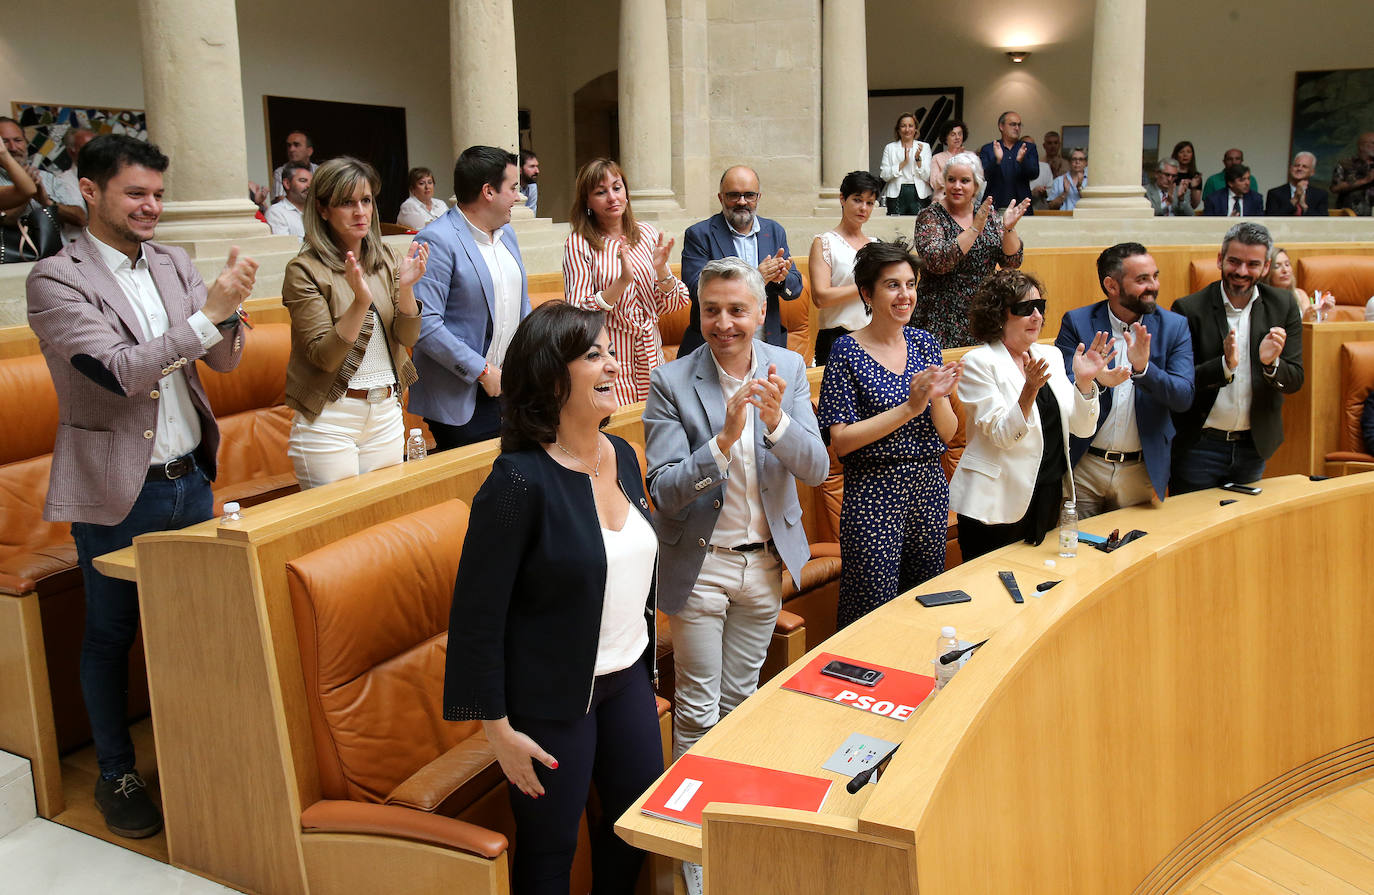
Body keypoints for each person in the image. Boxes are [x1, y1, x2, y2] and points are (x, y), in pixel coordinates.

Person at [25, 134, 256, 839]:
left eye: (157, 194)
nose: (151, 206)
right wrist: (207, 315)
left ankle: (201, 758)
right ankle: (116, 772)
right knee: (111, 633)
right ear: (89, 191)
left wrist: (228, 312)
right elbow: (122, 372)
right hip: (118, 489)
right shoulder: (55, 280)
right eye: (135, 193)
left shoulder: (173, 261)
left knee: (198, 628)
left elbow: (223, 359)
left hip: (192, 477)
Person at [444, 302, 664, 895]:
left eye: (610, 352)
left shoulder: (623, 455)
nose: (613, 364)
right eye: (594, 355)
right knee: (550, 850)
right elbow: (477, 617)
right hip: (549, 698)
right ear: (551, 375)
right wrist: (497, 731)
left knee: (634, 832)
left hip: (627, 679)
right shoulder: (517, 481)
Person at [643, 255, 826, 756]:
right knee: (698, 709)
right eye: (711, 310)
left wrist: (778, 424)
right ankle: (688, 804)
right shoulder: (670, 381)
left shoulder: (787, 367)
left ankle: (727, 797)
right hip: (701, 564)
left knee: (741, 703)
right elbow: (664, 491)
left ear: (762, 311)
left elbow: (816, 468)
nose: (723, 323)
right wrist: (722, 442)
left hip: (765, 562)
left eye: (737, 310)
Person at [817, 241, 961, 628]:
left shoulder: (925, 343)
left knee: (924, 605)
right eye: (892, 285)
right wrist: (910, 407)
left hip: (928, 487)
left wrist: (937, 398)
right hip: (873, 492)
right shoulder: (845, 351)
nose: (905, 295)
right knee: (871, 612)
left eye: (910, 284)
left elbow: (947, 434)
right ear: (867, 293)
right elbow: (841, 441)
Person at [281, 157, 428, 489]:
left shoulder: (386, 258)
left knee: (384, 515)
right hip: (330, 418)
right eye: (347, 203)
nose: (360, 212)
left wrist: (406, 288)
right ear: (323, 209)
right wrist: (361, 302)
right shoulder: (304, 270)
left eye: (366, 200)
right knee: (338, 518)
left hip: (385, 411)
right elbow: (325, 357)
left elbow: (408, 338)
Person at [949, 270, 1108, 560]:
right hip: (995, 503)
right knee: (991, 583)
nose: (1037, 316)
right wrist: (1029, 390)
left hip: (1047, 495)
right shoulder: (979, 363)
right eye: (1025, 308)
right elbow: (1002, 435)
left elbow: (1082, 429)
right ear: (998, 315)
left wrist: (1085, 383)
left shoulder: (1050, 356)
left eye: (1040, 307)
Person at [1053, 243, 1195, 517]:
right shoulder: (1078, 322)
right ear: (1112, 285)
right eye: (1142, 279)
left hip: (1140, 470)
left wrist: (1144, 370)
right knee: (1074, 543)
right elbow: (1060, 392)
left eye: (1155, 276)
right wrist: (1098, 382)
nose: (1153, 286)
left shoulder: (1174, 326)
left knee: (1132, 544)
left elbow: (1183, 397)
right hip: (1085, 465)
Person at [411, 145, 531, 450]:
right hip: (461, 397)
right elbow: (425, 324)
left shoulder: (508, 235)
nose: (519, 197)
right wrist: (482, 370)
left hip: (510, 388)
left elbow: (521, 305)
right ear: (488, 191)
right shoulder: (437, 240)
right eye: (513, 188)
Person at [1170, 223, 1303, 493]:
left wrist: (1271, 364)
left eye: (1252, 264)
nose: (1242, 271)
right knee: (1194, 518)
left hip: (1253, 447)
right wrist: (1224, 366)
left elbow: (1295, 379)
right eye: (1234, 261)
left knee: (1245, 520)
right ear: (1220, 259)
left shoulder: (1283, 305)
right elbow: (1180, 382)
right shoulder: (1189, 309)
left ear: (1265, 267)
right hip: (1199, 446)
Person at [564, 158, 688, 404]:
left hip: (651, 356)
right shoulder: (578, 243)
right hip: (608, 360)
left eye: (617, 188)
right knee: (619, 425)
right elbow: (577, 313)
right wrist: (621, 282)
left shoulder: (647, 234)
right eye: (601, 192)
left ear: (626, 192)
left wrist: (662, 271)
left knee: (653, 423)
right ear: (587, 201)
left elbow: (675, 303)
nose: (612, 197)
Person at [678, 166, 803, 353]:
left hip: (765, 345)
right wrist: (757, 278)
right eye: (733, 195)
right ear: (721, 198)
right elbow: (696, 289)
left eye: (749, 195)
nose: (742, 202)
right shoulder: (700, 235)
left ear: (758, 197)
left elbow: (795, 288)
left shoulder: (774, 231)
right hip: (715, 346)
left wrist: (780, 279)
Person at [913, 151, 1029, 349]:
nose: (957, 186)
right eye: (951, 180)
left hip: (982, 315)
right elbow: (938, 261)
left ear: (976, 185)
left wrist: (1008, 229)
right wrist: (974, 229)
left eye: (964, 181)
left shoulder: (987, 214)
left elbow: (1012, 262)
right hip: (939, 317)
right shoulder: (930, 216)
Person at [807, 170, 879, 365]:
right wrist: (865, 287)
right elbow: (820, 297)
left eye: (870, 203)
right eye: (857, 200)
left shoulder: (876, 245)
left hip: (874, 336)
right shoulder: (825, 242)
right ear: (842, 199)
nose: (863, 208)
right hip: (836, 338)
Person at [0, 116, 87, 233]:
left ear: (26, 142)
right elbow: (5, 220)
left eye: (18, 140)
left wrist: (47, 202)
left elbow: (81, 219)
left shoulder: (48, 178)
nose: (13, 148)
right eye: (5, 141)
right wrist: (28, 190)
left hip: (54, 244)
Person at [978, 111, 1039, 211]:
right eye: (1013, 124)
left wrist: (1022, 161)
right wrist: (997, 160)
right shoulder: (989, 148)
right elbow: (983, 176)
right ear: (1001, 126)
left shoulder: (1028, 148)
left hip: (1021, 207)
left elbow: (1034, 174)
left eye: (1019, 125)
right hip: (993, 206)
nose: (1017, 128)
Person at [879, 113, 932, 216]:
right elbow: (884, 175)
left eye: (910, 126)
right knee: (896, 224)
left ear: (915, 129)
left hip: (919, 193)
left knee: (919, 224)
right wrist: (903, 163)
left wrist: (918, 159)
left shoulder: (924, 147)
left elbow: (928, 176)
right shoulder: (890, 148)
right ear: (898, 130)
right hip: (896, 194)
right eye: (903, 126)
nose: (907, 129)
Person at [1264, 247, 1331, 322]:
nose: (1285, 270)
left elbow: (1310, 323)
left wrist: (1321, 311)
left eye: (1287, 264)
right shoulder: (1261, 299)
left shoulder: (1300, 295)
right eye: (1277, 266)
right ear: (1267, 271)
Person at [1265, 152, 1328, 217]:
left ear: (1312, 172)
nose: (1299, 168)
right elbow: (1271, 219)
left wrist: (1304, 206)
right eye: (1296, 165)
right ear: (1290, 168)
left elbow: (1323, 220)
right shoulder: (1274, 194)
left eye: (1304, 166)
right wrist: (1294, 200)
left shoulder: (1320, 195)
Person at [1330, 132, 1374, 216]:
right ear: (1362, 146)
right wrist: (1365, 180)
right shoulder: (1346, 164)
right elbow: (1335, 188)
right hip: (1351, 214)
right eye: (1373, 143)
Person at [265, 161, 311, 237]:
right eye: (303, 181)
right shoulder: (276, 212)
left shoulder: (316, 210)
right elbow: (284, 243)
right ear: (287, 184)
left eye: (312, 182)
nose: (309, 186)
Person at [929, 119, 969, 204]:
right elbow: (934, 184)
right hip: (941, 202)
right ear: (946, 138)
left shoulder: (970, 157)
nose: (957, 137)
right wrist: (952, 162)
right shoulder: (937, 158)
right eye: (953, 134)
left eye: (960, 134)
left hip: (964, 203)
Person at [395, 166, 448, 231]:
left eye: (430, 182)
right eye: (421, 183)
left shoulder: (441, 203)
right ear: (412, 189)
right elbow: (424, 231)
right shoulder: (408, 206)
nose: (427, 187)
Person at [1170, 140, 1204, 211]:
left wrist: (1193, 188)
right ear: (1176, 154)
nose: (1185, 155)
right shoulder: (1170, 174)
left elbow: (1194, 205)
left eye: (1188, 152)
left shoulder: (1195, 176)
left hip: (1186, 212)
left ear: (1192, 155)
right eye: (1181, 152)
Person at [520, 148, 540, 214]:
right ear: (519, 169)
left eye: (536, 166)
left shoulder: (532, 186)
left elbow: (532, 213)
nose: (537, 171)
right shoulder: (510, 188)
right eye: (532, 166)